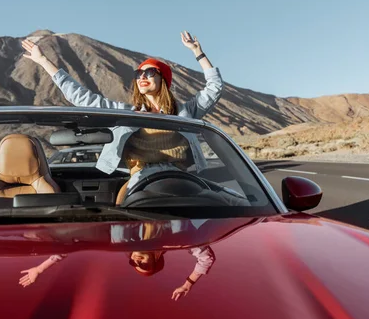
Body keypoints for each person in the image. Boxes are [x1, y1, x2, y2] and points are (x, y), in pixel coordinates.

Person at [21, 32, 223, 196]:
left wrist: (198, 52)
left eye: (150, 73)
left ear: (164, 81)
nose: (143, 77)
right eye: (139, 74)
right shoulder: (126, 114)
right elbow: (81, 98)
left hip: (182, 180)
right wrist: (44, 61)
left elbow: (214, 88)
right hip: (141, 179)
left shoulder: (184, 112)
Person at [18, 220, 215, 301]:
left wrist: (40, 268)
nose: (136, 260)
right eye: (143, 264)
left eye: (134, 264)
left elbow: (73, 245)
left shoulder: (119, 241)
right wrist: (188, 283)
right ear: (158, 256)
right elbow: (206, 258)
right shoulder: (178, 238)